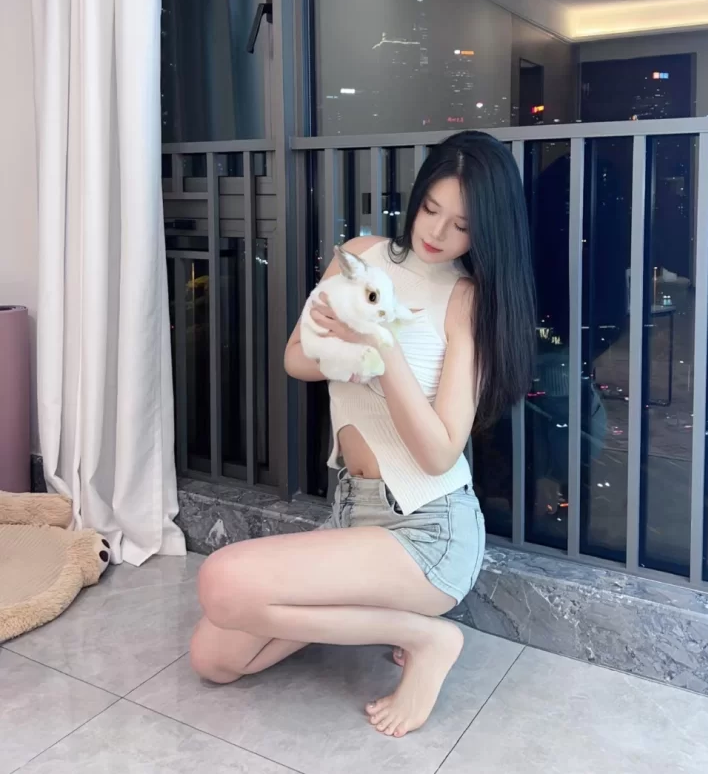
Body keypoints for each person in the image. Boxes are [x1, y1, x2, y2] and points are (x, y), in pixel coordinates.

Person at [189, 131, 536, 737]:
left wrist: (381, 348)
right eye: (431, 209)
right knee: (214, 659)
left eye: (462, 225)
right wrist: (348, 353)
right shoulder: (360, 256)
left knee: (222, 580)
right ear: (417, 196)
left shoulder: (467, 300)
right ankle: (397, 622)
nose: (437, 232)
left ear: (487, 232)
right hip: (354, 512)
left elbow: (439, 452)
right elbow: (296, 358)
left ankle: (428, 639)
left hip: (429, 529)